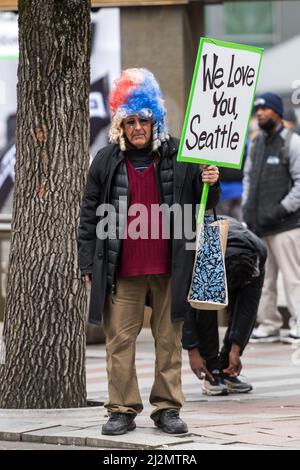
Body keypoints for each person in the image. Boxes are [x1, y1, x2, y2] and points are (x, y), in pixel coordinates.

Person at [78, 68, 220, 435]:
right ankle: (121, 409)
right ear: (121, 124)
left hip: (170, 266)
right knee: (119, 342)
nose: (138, 126)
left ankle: (167, 408)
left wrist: (211, 183)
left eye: (144, 119)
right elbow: (89, 213)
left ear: (154, 119)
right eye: (130, 121)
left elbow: (203, 207)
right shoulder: (105, 160)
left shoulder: (181, 156)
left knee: (168, 342)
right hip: (120, 269)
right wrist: (86, 261)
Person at [182, 217, 267, 395]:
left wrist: (236, 349)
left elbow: (248, 308)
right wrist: (193, 351)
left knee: (243, 302)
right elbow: (187, 309)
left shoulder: (258, 253)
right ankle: (212, 370)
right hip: (208, 242)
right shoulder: (207, 251)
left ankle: (226, 367)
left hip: (234, 248)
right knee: (205, 306)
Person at [242, 92, 300, 344]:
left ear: (277, 112)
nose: (261, 113)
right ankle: (269, 324)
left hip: (286, 225)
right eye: (258, 110)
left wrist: (280, 209)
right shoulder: (255, 143)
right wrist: (246, 208)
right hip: (259, 226)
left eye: (266, 109)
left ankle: (298, 322)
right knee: (263, 279)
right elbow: (248, 179)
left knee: (293, 277)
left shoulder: (292, 143)